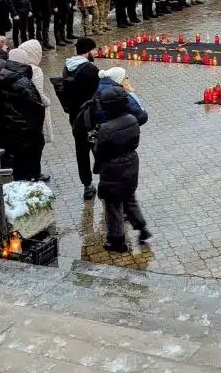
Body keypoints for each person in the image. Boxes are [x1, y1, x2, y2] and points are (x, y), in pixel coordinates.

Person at [95, 84, 152, 253]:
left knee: (113, 205)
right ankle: (142, 228)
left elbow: (100, 152)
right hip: (131, 164)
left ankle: (117, 241)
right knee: (129, 198)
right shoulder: (133, 120)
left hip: (113, 169)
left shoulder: (106, 128)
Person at [60, 38, 101, 200]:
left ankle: (87, 185)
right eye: (94, 50)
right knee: (99, 149)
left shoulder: (67, 67)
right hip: (91, 116)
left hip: (75, 117)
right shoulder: (90, 69)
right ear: (88, 51)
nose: (95, 53)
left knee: (81, 152)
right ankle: (105, 180)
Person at [8, 39, 53, 181]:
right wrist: (48, 102)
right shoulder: (35, 71)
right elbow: (39, 95)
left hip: (14, 115)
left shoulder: (9, 69)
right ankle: (35, 173)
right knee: (36, 145)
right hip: (33, 115)